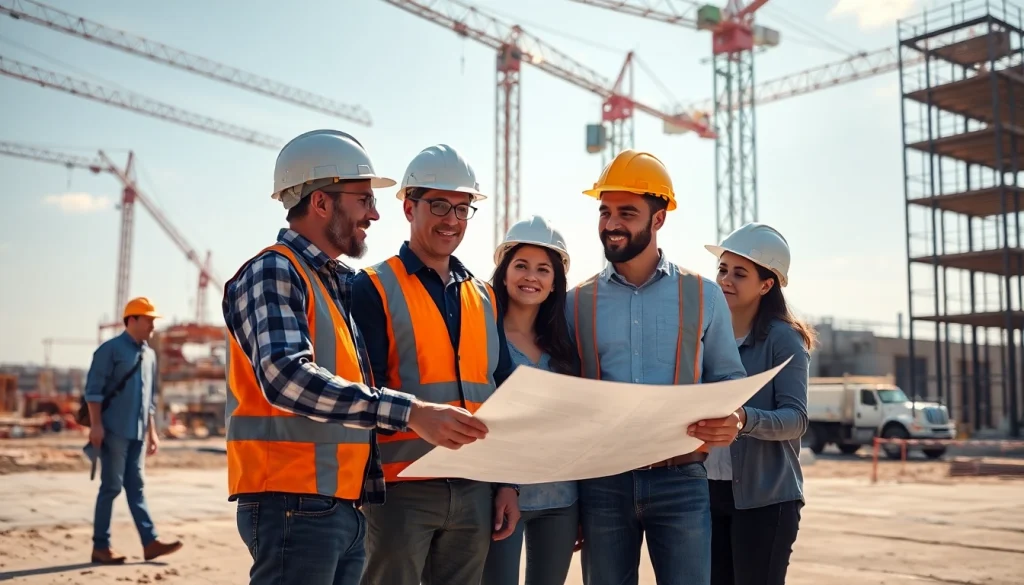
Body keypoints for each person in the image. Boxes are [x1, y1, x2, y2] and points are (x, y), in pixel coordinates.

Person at [221, 130, 489, 585]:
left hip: (341, 505)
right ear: (322, 202)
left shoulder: (332, 284)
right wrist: (412, 411)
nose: (374, 212)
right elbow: (285, 377)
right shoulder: (274, 270)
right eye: (363, 198)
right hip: (293, 501)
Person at [565, 149, 749, 585]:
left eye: (626, 213)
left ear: (659, 218)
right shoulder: (576, 303)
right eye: (605, 211)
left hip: (681, 480)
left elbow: (729, 378)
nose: (611, 224)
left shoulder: (703, 295)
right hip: (603, 481)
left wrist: (735, 418)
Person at [352, 144, 521, 585]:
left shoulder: (483, 296)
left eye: (463, 208)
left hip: (474, 485)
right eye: (440, 205)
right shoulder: (371, 287)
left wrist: (507, 483)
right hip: (401, 487)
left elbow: (501, 393)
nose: (452, 220)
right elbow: (359, 392)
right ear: (409, 207)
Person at [703, 222, 812, 585]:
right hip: (707, 491)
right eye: (722, 269)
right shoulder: (704, 333)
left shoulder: (784, 340)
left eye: (739, 273)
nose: (725, 280)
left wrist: (744, 420)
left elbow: (796, 418)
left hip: (766, 500)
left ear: (766, 285)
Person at [481, 215, 580, 585]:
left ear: (555, 284)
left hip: (562, 498)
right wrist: (504, 482)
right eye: (520, 266)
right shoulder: (484, 334)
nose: (531, 277)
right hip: (501, 497)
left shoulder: (565, 345)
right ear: (504, 273)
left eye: (543, 270)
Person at [84, 296, 182, 565]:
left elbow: (149, 400)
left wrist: (152, 433)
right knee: (111, 487)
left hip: (139, 433)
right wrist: (96, 426)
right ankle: (100, 547)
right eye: (149, 319)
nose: (153, 325)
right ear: (133, 320)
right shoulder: (110, 350)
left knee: (136, 488)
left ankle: (150, 543)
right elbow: (93, 392)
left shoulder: (150, 355)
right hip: (113, 430)